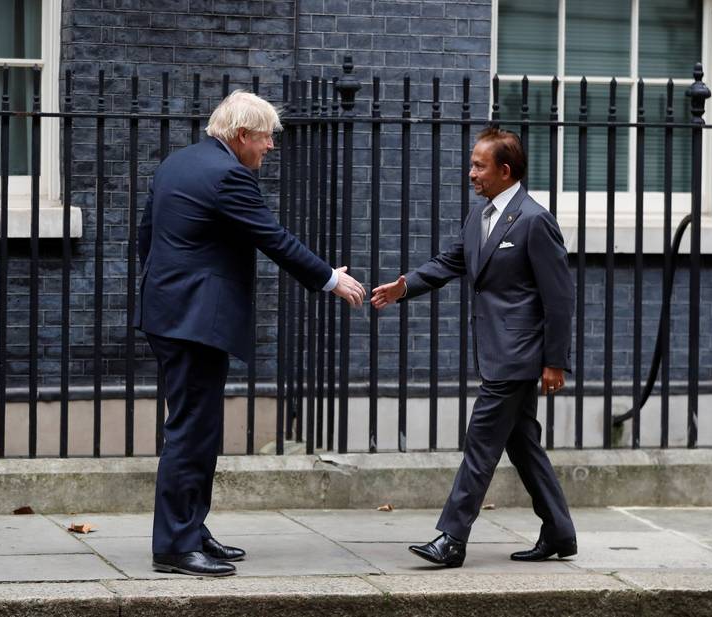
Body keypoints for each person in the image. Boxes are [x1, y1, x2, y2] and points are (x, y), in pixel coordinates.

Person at [136, 90, 366, 577]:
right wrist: (330, 278)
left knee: (200, 429)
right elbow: (274, 238)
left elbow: (145, 236)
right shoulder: (227, 176)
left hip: (172, 314)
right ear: (242, 136)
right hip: (194, 321)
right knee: (191, 432)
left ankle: (192, 530)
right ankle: (175, 545)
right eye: (266, 139)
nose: (270, 148)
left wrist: (168, 288)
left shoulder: (176, 163)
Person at [371, 127, 576, 568]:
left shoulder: (534, 220)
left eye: (479, 166)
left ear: (505, 170)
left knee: (481, 444)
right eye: (472, 165)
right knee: (522, 445)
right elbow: (452, 261)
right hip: (498, 352)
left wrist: (555, 361)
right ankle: (559, 531)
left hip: (517, 355)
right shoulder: (480, 216)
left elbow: (559, 298)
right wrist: (404, 287)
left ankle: (451, 539)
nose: (471, 174)